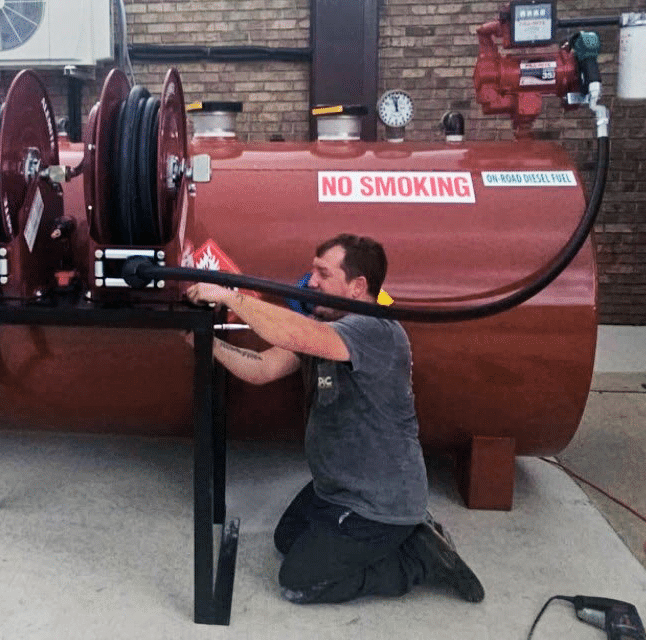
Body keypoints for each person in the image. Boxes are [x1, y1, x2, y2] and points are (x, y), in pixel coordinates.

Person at [185, 233, 485, 605]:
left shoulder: (376, 330)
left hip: (377, 502)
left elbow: (294, 331)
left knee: (298, 582)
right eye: (313, 272)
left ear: (358, 286)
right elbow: (263, 368)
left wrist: (229, 295)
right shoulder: (326, 333)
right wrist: (204, 342)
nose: (311, 282)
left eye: (323, 274)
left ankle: (419, 560)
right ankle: (399, 538)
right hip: (336, 489)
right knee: (286, 540)